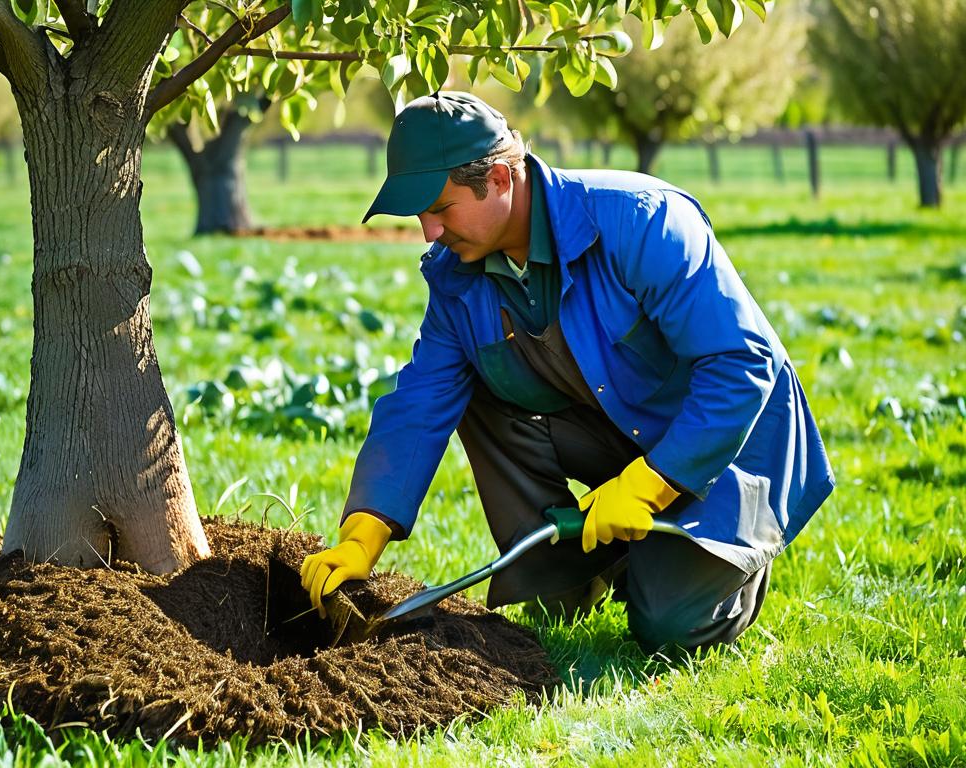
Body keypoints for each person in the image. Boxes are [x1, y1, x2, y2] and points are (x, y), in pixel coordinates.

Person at [300, 91, 835, 653]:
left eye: (439, 207)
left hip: (727, 446)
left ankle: (731, 555)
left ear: (502, 179)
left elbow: (742, 364)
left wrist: (650, 485)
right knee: (471, 389)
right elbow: (419, 402)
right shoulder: (460, 274)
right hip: (615, 431)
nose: (429, 230)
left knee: (670, 629)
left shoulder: (642, 219)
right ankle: (569, 577)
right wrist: (362, 535)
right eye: (419, 215)